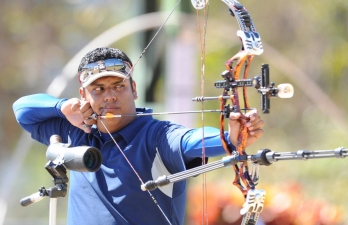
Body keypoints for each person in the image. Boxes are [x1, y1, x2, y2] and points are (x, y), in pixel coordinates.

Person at [13, 47, 264, 225]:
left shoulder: (157, 137)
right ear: (83, 94)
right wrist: (62, 107)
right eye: (98, 89)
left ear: (133, 89)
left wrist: (231, 138)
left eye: (118, 86)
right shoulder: (75, 131)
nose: (109, 96)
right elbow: (23, 110)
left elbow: (191, 140)